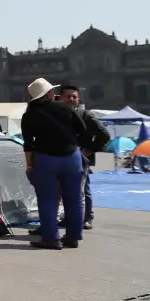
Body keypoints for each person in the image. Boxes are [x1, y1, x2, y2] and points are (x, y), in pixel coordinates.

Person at [21, 78, 88, 249]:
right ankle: (73, 237)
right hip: (72, 157)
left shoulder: (29, 115)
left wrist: (29, 166)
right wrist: (70, 140)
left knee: (48, 199)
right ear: (48, 93)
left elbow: (28, 144)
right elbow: (82, 129)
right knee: (73, 199)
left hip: (45, 158)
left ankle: (51, 238)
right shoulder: (64, 107)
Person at [57, 85, 109, 230]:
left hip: (80, 157)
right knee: (66, 189)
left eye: (74, 96)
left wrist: (88, 150)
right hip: (63, 156)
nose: (71, 99)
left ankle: (87, 218)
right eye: (68, 96)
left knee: (83, 189)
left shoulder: (86, 115)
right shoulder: (58, 115)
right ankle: (69, 218)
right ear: (60, 97)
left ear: (78, 99)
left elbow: (105, 135)